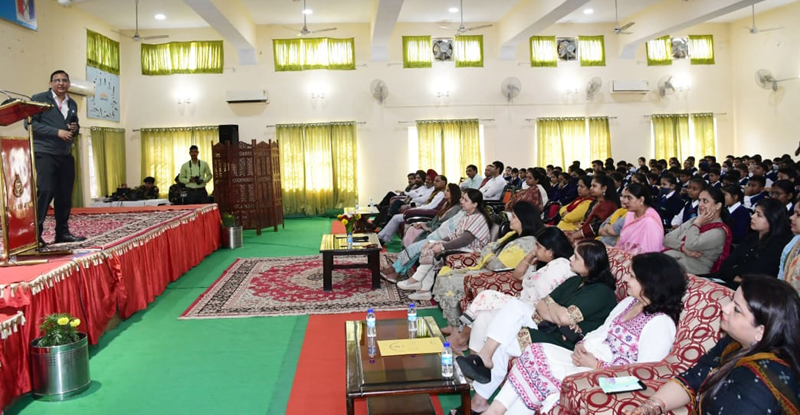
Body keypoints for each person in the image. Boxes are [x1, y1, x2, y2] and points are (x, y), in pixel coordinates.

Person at [485, 253, 687, 415]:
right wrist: (583, 343)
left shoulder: (660, 324)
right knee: (535, 352)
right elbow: (602, 331)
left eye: (632, 276)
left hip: (607, 378)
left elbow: (644, 377)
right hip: (589, 359)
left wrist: (597, 366)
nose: (625, 279)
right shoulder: (629, 303)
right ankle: (495, 410)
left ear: (651, 283)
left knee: (542, 368)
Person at [454, 239, 619, 414]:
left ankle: (480, 400)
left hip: (566, 344)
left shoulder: (601, 293)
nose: (570, 258)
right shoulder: (575, 280)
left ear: (590, 264)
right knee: (514, 308)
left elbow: (563, 317)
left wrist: (555, 310)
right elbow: (542, 304)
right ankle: (484, 361)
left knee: (504, 341)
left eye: (576, 256)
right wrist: (556, 313)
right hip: (549, 327)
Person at [624, 276, 799, 415]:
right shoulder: (736, 343)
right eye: (731, 300)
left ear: (761, 331)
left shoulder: (757, 384)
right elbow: (695, 376)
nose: (725, 308)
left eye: (737, 309)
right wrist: (651, 407)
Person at [450, 228, 576, 413]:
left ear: (551, 250)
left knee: (487, 301)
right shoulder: (544, 263)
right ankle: (478, 367)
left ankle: (471, 353)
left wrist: (530, 282)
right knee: (484, 315)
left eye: (538, 246)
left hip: (533, 313)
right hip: (521, 305)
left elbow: (543, 298)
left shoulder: (561, 266)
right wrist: (531, 255)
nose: (535, 249)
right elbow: (517, 275)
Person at [433, 202, 543, 327]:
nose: (510, 220)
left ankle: (456, 327)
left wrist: (488, 253)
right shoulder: (513, 235)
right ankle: (453, 326)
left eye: (514, 217)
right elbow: (490, 248)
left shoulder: (526, 243)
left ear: (524, 220)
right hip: (487, 269)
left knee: (449, 280)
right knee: (445, 276)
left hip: (497, 276)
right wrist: (488, 253)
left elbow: (496, 265)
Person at [25, 70, 86, 245]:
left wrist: (74, 130)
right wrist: (56, 132)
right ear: (51, 83)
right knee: (45, 191)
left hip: (65, 154)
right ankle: (34, 234)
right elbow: (29, 124)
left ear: (69, 84)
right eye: (57, 80)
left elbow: (76, 127)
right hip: (45, 152)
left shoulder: (72, 103)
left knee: (65, 194)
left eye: (64, 80)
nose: (61, 83)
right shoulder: (39, 99)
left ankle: (62, 233)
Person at [397, 189, 491, 300]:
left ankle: (416, 280)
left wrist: (442, 246)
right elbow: (454, 235)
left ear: (475, 204)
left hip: (472, 251)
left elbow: (465, 240)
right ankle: (424, 290)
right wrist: (439, 242)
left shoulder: (478, 218)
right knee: (430, 245)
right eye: (462, 198)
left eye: (465, 200)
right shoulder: (467, 215)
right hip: (464, 247)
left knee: (434, 251)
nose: (461, 201)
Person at [702, 198, 792, 289]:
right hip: (729, 281)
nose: (753, 216)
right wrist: (736, 276)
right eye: (754, 213)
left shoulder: (778, 245)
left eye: (759, 215)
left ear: (773, 218)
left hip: (753, 291)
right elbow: (726, 265)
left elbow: (757, 274)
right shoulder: (752, 238)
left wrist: (735, 274)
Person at [381, 184, 463, 282]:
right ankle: (395, 271)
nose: (445, 192)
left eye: (448, 191)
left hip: (440, 236)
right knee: (414, 246)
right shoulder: (446, 205)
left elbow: (445, 227)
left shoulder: (456, 209)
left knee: (414, 249)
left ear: (454, 193)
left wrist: (428, 228)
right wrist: (423, 224)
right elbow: (434, 221)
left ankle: (394, 271)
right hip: (433, 232)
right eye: (445, 190)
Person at [663, 188, 732, 275]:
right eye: (700, 200)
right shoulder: (694, 220)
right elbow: (667, 239)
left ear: (718, 206)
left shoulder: (719, 231)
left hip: (693, 271)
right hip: (674, 262)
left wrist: (696, 225)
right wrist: (683, 248)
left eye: (705, 201)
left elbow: (691, 244)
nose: (700, 205)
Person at [377, 175, 446, 245]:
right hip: (419, 208)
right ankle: (382, 237)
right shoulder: (434, 191)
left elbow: (430, 206)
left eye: (437, 181)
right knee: (395, 216)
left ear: (444, 183)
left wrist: (416, 209)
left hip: (425, 213)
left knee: (396, 217)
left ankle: (381, 238)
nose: (434, 183)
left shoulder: (441, 193)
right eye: (434, 181)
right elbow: (413, 195)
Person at [565, 175, 621, 243]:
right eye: (591, 186)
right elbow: (585, 222)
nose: (591, 188)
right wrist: (574, 231)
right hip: (584, 235)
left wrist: (573, 236)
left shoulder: (608, 205)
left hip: (597, 239)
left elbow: (594, 228)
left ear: (604, 188)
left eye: (594, 186)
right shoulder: (594, 202)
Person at [615, 183, 664, 254]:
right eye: (624, 197)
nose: (625, 201)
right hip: (625, 253)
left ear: (641, 200)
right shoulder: (630, 213)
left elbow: (651, 252)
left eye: (629, 198)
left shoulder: (651, 222)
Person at [778, 201, 800, 292]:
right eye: (793, 213)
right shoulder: (794, 241)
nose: (791, 217)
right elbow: (781, 276)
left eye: (798, 215)